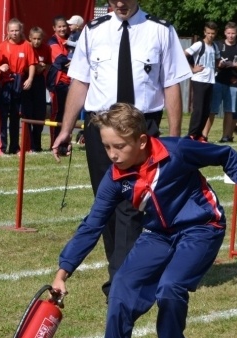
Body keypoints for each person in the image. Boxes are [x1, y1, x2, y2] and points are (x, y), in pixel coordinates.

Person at [51, 103, 237, 338]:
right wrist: (63, 272)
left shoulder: (177, 151)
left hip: (202, 227)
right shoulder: (115, 178)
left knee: (170, 287)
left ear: (141, 141)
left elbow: (226, 155)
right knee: (121, 287)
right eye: (106, 146)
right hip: (157, 234)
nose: (112, 155)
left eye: (119, 146)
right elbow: (92, 225)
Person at [51, 0, 192, 299]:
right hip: (100, 128)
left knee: (132, 205)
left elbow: (172, 85)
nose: (119, 3)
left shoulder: (161, 31)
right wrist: (65, 129)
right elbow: (80, 82)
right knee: (107, 206)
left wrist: (175, 138)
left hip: (142, 127)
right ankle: (124, 270)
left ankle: (121, 281)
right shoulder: (92, 31)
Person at [0, 19, 35, 155]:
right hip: (6, 83)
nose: (14, 33)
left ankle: (15, 147)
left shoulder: (27, 45)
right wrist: (1, 68)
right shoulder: (2, 47)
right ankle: (1, 147)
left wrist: (29, 78)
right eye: (12, 30)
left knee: (16, 116)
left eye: (17, 30)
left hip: (20, 82)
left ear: (21, 30)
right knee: (3, 115)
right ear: (7, 31)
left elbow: (31, 64)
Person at [202, 21, 237, 143]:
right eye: (229, 33)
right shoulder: (217, 45)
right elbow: (210, 61)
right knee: (212, 109)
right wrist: (219, 65)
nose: (231, 35)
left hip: (233, 82)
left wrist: (235, 65)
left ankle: (226, 136)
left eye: (233, 33)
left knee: (229, 110)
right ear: (225, 33)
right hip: (218, 80)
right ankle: (204, 135)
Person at [185, 21, 219, 142]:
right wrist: (192, 69)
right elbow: (184, 54)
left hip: (210, 80)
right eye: (208, 33)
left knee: (206, 110)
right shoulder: (199, 44)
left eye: (213, 33)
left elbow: (217, 60)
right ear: (205, 32)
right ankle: (191, 135)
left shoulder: (214, 46)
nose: (210, 35)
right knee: (198, 109)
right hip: (199, 79)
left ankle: (199, 135)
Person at [22, 26, 50, 152]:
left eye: (39, 39)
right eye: (34, 39)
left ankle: (37, 145)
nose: (37, 41)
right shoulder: (26, 47)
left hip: (39, 81)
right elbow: (22, 66)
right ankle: (28, 145)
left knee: (39, 114)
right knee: (28, 113)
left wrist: (43, 67)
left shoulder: (46, 48)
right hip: (27, 80)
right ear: (29, 38)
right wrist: (33, 69)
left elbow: (49, 64)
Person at [47, 16, 71, 145]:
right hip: (57, 83)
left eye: (64, 26)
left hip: (70, 82)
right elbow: (61, 61)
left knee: (68, 114)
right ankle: (54, 142)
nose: (62, 29)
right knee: (57, 112)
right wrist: (74, 62)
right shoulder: (53, 42)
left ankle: (65, 141)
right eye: (59, 26)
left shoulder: (70, 39)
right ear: (54, 28)